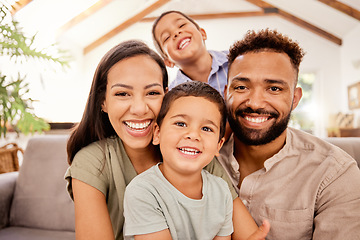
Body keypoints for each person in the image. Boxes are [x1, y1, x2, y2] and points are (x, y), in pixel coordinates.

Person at [64, 40, 253, 240]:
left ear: (166, 95)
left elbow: (248, 235)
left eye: (152, 93)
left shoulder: (193, 154)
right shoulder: (93, 162)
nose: (139, 108)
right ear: (103, 102)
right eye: (122, 93)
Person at [218, 28, 360, 239]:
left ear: (295, 98)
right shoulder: (197, 157)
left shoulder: (335, 173)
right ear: (226, 92)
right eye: (241, 87)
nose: (255, 102)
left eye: (274, 89)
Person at [123, 81, 269, 240]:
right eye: (180, 123)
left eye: (206, 129)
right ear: (157, 133)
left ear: (218, 146)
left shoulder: (221, 191)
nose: (193, 135)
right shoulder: (143, 191)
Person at [152, 10, 228, 96]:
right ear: (168, 62)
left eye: (182, 25)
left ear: (202, 33)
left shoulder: (236, 58)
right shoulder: (172, 96)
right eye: (167, 37)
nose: (176, 33)